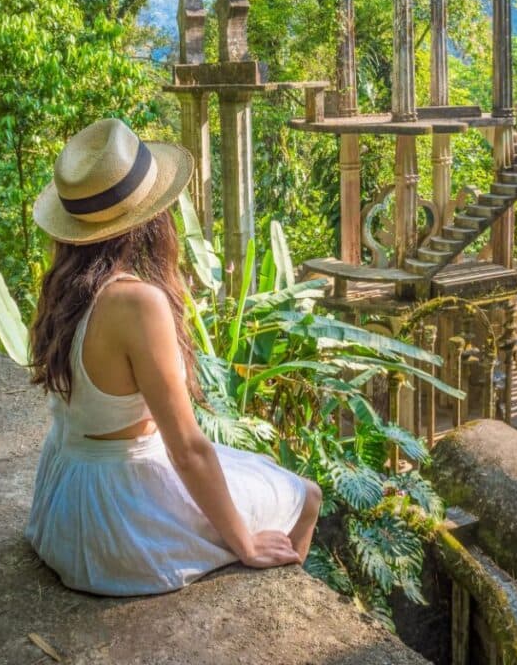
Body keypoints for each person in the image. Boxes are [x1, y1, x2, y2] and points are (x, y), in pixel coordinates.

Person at [25, 117, 321, 596]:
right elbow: (186, 447)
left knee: (258, 472)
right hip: (119, 523)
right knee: (305, 495)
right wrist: (244, 544)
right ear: (149, 216)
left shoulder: (61, 289)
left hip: (63, 506)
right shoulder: (136, 303)